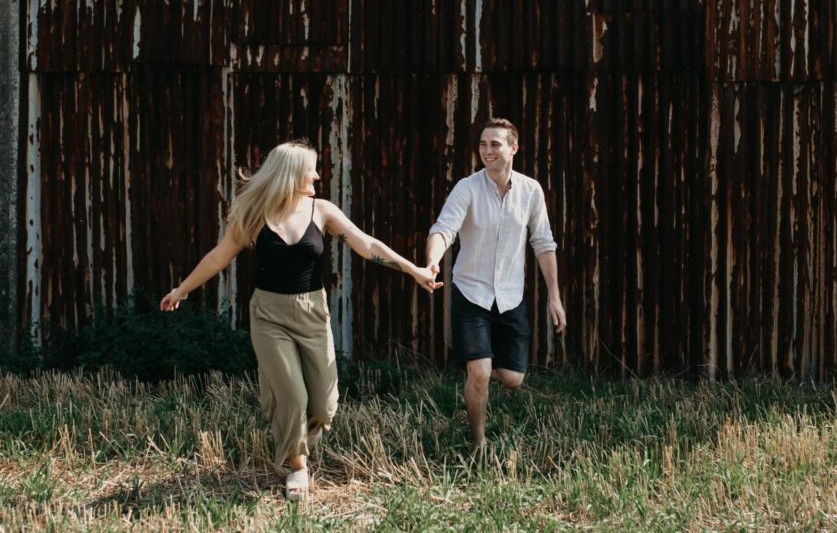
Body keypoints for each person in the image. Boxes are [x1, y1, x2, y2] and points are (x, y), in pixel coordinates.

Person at [160, 140, 440, 500]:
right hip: (268, 314)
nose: (318, 175)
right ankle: (297, 466)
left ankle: (301, 438)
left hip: (312, 311)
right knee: (291, 396)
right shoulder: (254, 214)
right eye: (312, 168)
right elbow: (218, 257)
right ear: (291, 172)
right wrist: (182, 289)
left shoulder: (321, 211)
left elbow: (366, 244)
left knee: (324, 404)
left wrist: (412, 269)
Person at [424, 118, 565, 448]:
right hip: (471, 293)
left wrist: (554, 296)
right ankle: (479, 442)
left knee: (514, 378)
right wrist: (432, 260)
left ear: (513, 148)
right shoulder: (467, 188)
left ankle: (476, 363)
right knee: (481, 372)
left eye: (495, 145)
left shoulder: (530, 191)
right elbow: (444, 229)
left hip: (510, 295)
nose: (487, 151)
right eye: (483, 144)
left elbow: (543, 243)